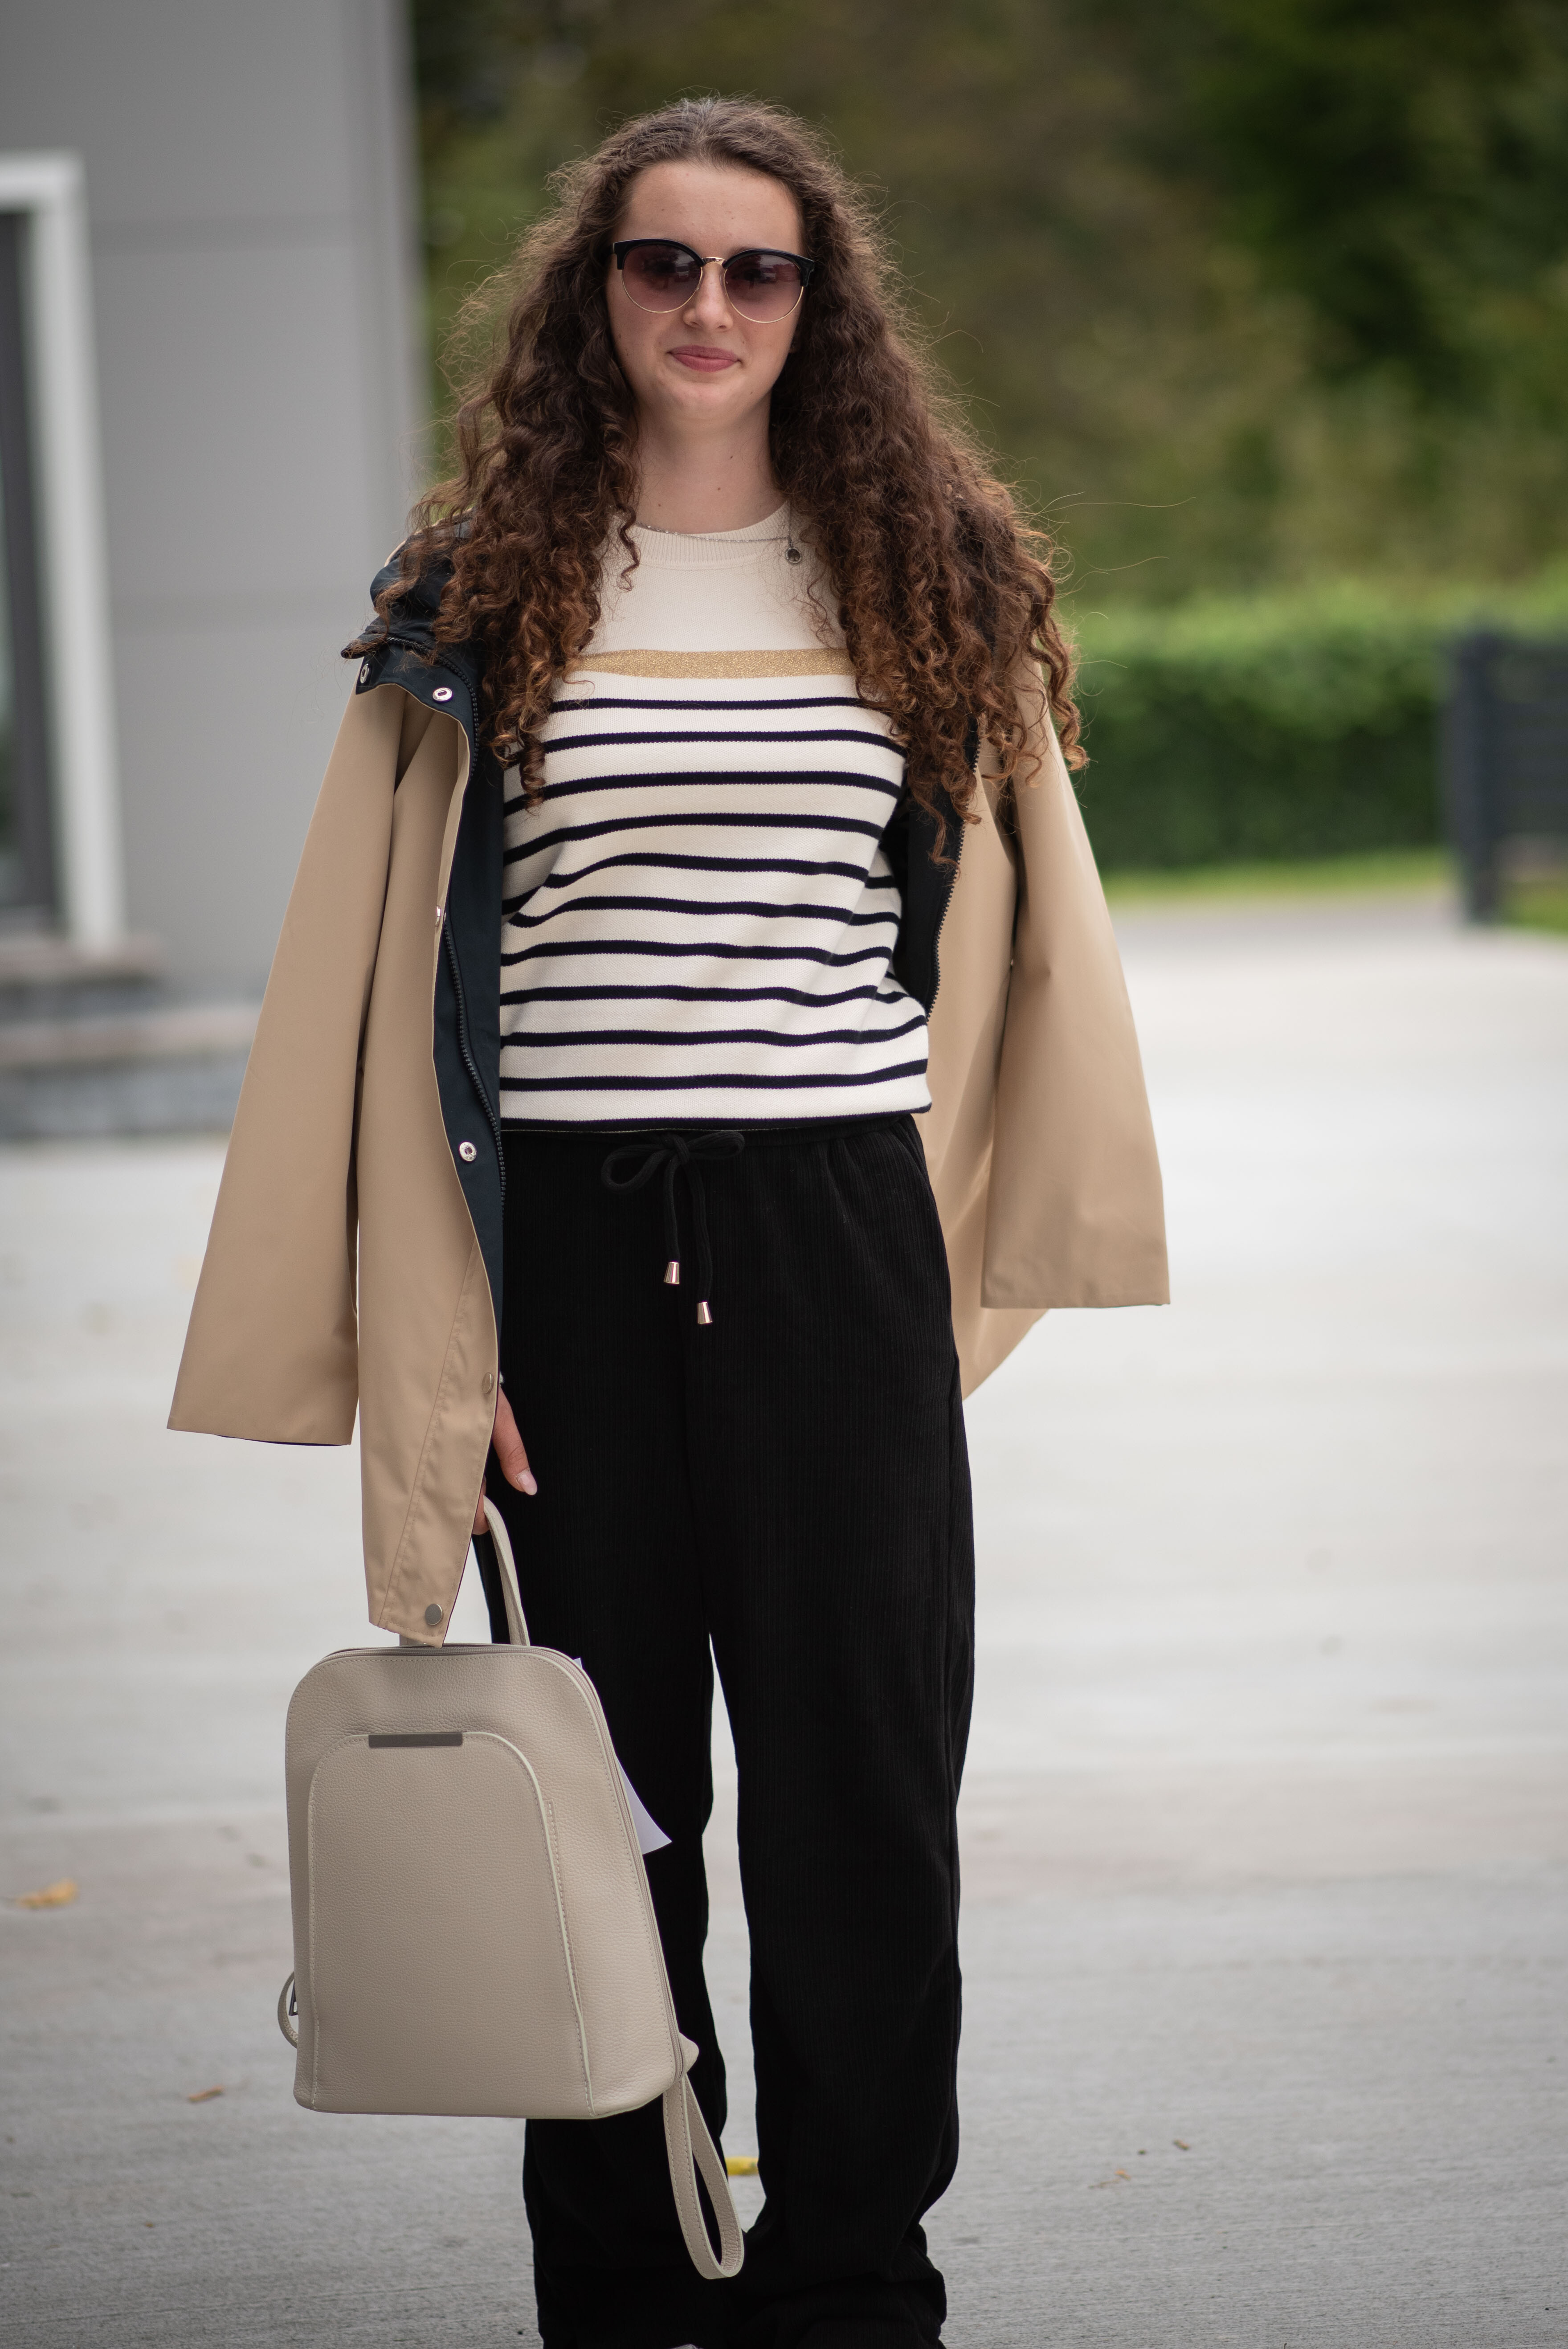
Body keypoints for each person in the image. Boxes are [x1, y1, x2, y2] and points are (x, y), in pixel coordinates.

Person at [171, 94, 1166, 2349]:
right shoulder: (474, 596)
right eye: (661, 261)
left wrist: (934, 1261)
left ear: (819, 305)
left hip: (833, 1239)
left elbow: (1015, 949)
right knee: (592, 1815)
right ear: (593, 293)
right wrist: (438, 1334)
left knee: (861, 1807)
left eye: (756, 268)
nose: (707, 304)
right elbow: (362, 994)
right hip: (564, 1274)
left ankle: (851, 2284)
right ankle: (624, 2285)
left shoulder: (929, 576)